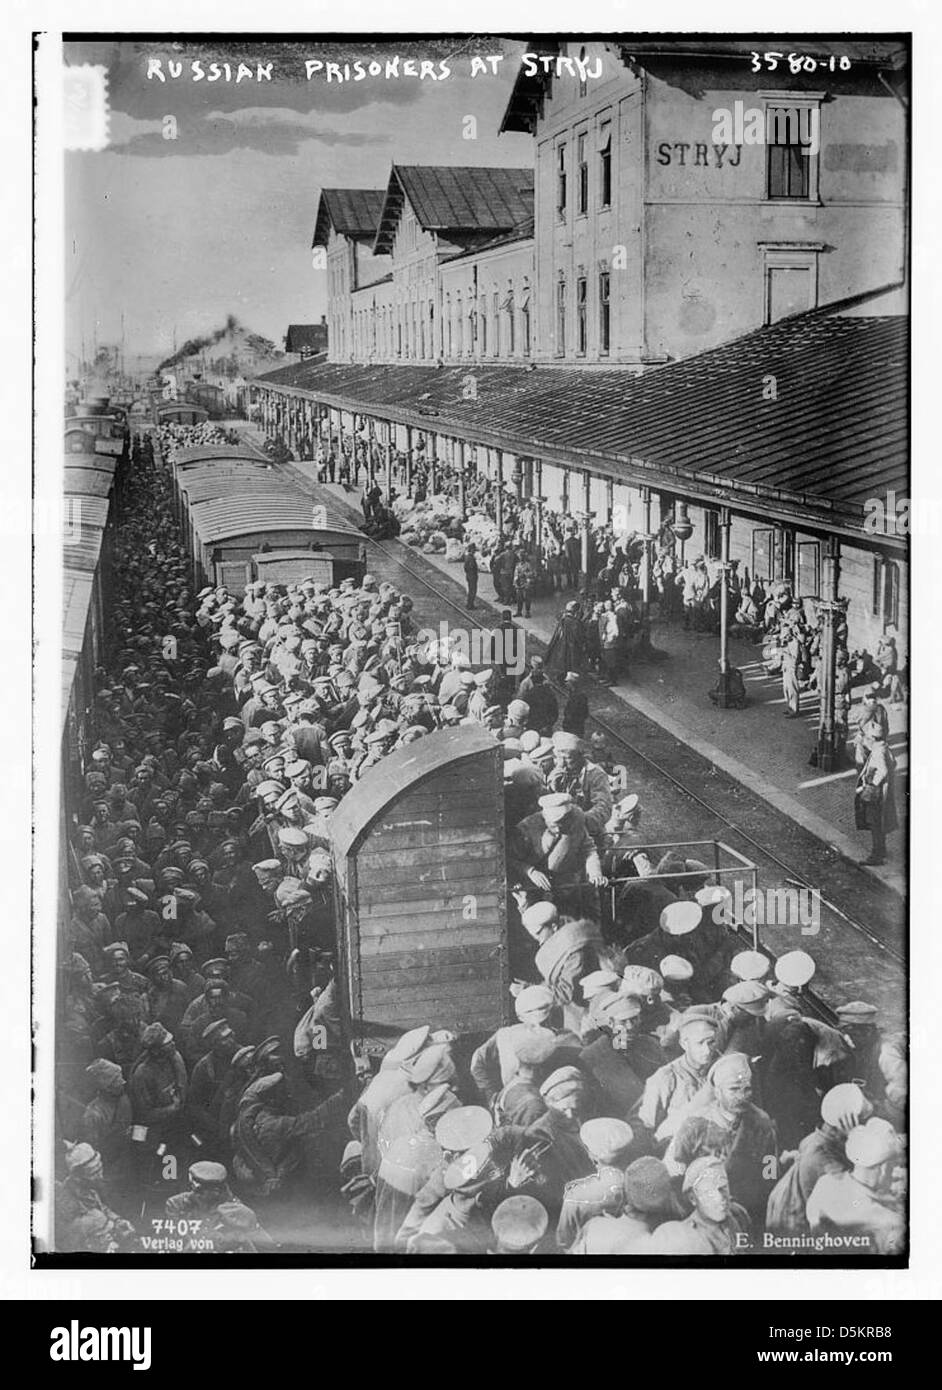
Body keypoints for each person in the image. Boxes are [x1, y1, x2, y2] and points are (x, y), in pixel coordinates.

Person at [806, 1118, 904, 1254]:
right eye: (894, 1164)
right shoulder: (891, 1223)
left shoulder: (824, 1184)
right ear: (882, 1167)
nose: (896, 1172)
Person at [854, 733, 897, 866]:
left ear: (871, 739)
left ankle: (876, 855)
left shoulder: (878, 753)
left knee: (874, 823)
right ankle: (881, 850)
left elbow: (883, 771)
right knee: (879, 821)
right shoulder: (884, 748)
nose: (864, 744)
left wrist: (872, 783)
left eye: (865, 741)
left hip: (875, 794)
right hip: (881, 793)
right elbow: (893, 763)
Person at [463, 542, 479, 612]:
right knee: (473, 591)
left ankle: (469, 604)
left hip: (469, 575)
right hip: (472, 576)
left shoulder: (467, 557)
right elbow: (472, 567)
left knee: (470, 590)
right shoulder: (471, 558)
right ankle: (470, 605)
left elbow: (465, 568)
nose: (474, 551)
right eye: (474, 550)